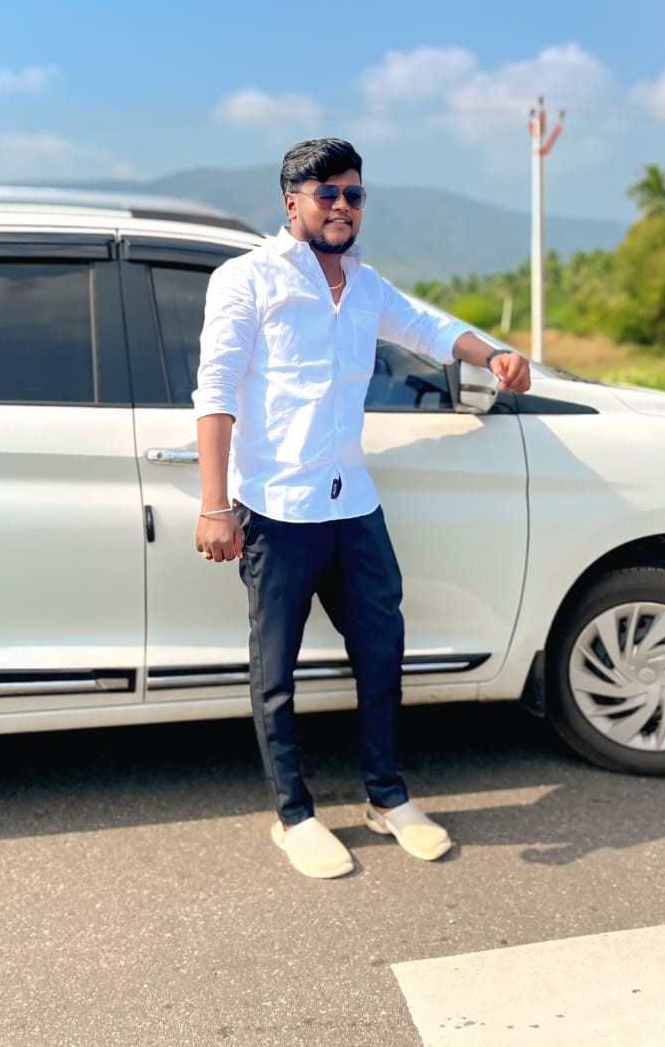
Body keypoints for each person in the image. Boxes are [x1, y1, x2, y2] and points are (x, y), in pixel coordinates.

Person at [192, 138, 531, 879]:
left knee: (381, 654)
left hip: (353, 505)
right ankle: (294, 816)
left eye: (353, 193)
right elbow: (215, 391)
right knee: (275, 673)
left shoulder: (366, 285)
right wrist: (214, 504)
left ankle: (386, 796)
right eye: (326, 193)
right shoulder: (247, 279)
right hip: (276, 510)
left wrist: (494, 354)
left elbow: (430, 329)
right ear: (292, 202)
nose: (342, 206)